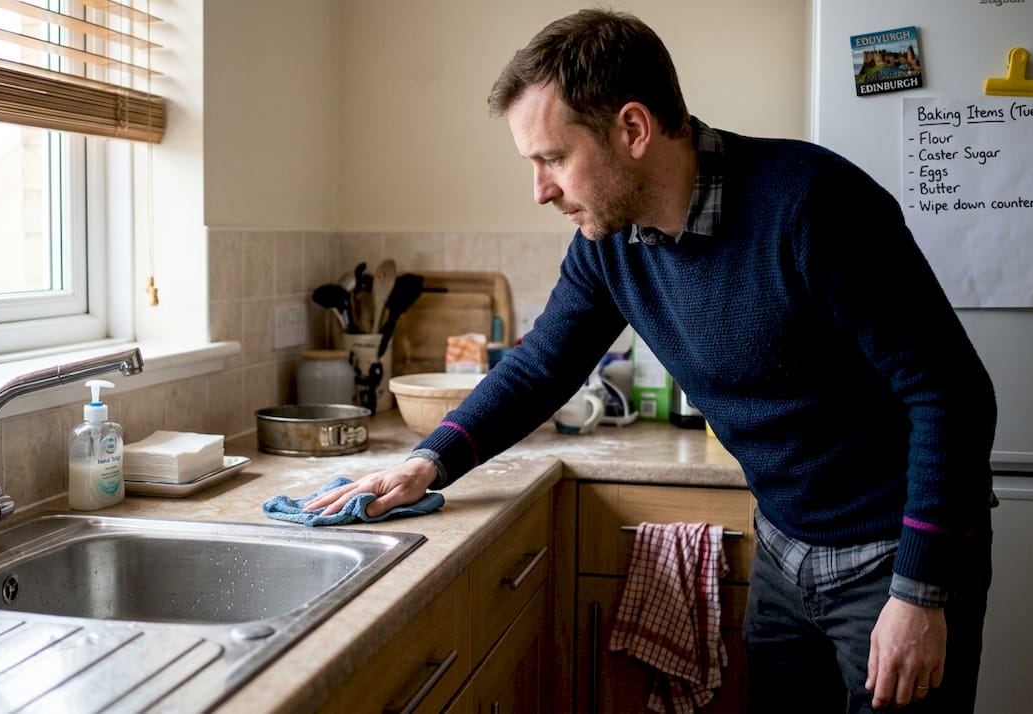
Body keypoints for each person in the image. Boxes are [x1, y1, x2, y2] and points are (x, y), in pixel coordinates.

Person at [307, 8, 996, 713]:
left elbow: (952, 395)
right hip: (784, 550)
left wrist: (920, 592)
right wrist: (430, 461)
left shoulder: (814, 205)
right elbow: (541, 365)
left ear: (632, 130)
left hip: (894, 557)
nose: (540, 189)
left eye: (552, 158)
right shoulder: (610, 246)